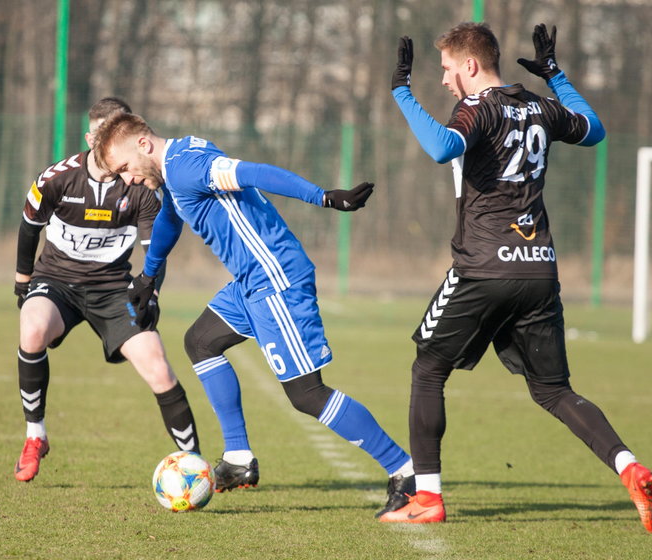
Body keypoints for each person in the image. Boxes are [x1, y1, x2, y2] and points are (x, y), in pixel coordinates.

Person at [378, 22, 652, 533]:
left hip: (484, 267)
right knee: (554, 390)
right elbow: (594, 128)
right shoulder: (539, 105)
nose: (446, 81)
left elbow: (441, 147)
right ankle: (631, 467)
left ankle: (427, 498)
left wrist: (401, 90)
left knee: (428, 369)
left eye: (448, 70)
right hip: (538, 269)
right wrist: (556, 75)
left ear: (471, 65)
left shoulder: (478, 107)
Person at [91, 111, 416, 518]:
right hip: (249, 283)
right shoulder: (173, 170)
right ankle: (239, 457)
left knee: (306, 394)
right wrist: (149, 276)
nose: (128, 180)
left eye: (124, 169)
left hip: (275, 277)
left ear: (143, 144)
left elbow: (254, 173)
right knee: (201, 342)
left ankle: (405, 471)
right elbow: (170, 219)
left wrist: (324, 197)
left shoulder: (187, 166)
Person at [12, 97, 200, 482]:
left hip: (114, 288)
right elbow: (29, 226)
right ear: (91, 137)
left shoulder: (142, 188)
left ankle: (194, 464)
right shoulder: (57, 178)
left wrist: (153, 295)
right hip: (57, 282)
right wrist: (22, 281)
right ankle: (35, 436)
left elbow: (155, 252)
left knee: (157, 366)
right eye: (103, 134)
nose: (110, 143)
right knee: (32, 329)